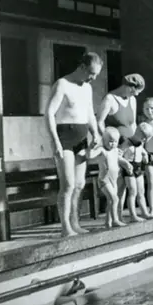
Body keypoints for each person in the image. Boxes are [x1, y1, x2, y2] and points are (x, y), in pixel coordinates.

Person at [45, 52, 103, 237]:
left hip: (81, 138)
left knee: (79, 184)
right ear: (82, 67)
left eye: (96, 75)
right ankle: (65, 228)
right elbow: (49, 114)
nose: (93, 78)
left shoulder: (87, 87)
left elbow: (89, 113)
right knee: (68, 184)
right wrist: (55, 141)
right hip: (65, 138)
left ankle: (75, 223)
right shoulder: (62, 84)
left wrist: (95, 133)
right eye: (91, 73)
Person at [89, 127, 133, 228]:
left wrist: (127, 164)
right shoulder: (102, 150)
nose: (113, 144)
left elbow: (119, 159)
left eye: (115, 142)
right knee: (114, 199)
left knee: (111, 201)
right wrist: (92, 146)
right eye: (110, 141)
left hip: (114, 179)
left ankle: (107, 222)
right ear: (103, 141)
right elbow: (90, 155)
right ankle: (115, 220)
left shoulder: (115, 150)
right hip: (104, 180)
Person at [119, 122, 153, 222]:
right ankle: (133, 215)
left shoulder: (140, 143)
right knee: (132, 191)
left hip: (138, 167)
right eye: (144, 137)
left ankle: (145, 213)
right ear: (138, 132)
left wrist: (146, 155)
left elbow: (142, 150)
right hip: (129, 168)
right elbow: (118, 155)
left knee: (141, 191)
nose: (144, 140)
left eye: (146, 138)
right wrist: (125, 163)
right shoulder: (127, 142)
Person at [97, 73, 145, 142]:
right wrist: (108, 141)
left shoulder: (132, 99)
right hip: (115, 145)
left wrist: (135, 142)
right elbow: (99, 122)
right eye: (133, 91)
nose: (136, 94)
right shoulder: (110, 99)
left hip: (129, 144)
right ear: (127, 86)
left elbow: (133, 124)